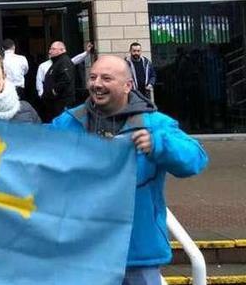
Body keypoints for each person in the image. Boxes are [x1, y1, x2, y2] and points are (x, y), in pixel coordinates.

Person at [52, 55, 208, 285]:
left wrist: (159, 144)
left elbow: (195, 159)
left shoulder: (155, 124)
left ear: (128, 85)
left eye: (106, 78)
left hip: (136, 254)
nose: (96, 84)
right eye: (92, 77)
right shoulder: (68, 123)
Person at [42, 41, 77, 120]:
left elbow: (66, 79)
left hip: (61, 103)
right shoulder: (57, 62)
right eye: (50, 49)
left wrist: (53, 91)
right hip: (54, 103)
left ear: (62, 50)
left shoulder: (64, 61)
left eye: (53, 49)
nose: (50, 51)